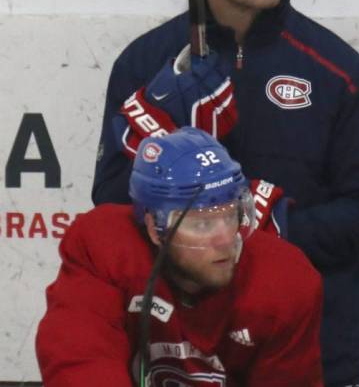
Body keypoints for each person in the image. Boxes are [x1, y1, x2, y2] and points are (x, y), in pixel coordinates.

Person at [91, 0, 359, 385]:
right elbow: (111, 207)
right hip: (179, 358)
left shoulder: (335, 68)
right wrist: (164, 145)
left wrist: (262, 228)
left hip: (314, 358)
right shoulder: (144, 64)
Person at [37, 127, 323, 386]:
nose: (225, 239)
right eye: (201, 223)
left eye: (230, 214)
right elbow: (80, 357)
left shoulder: (285, 282)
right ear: (155, 228)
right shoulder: (104, 247)